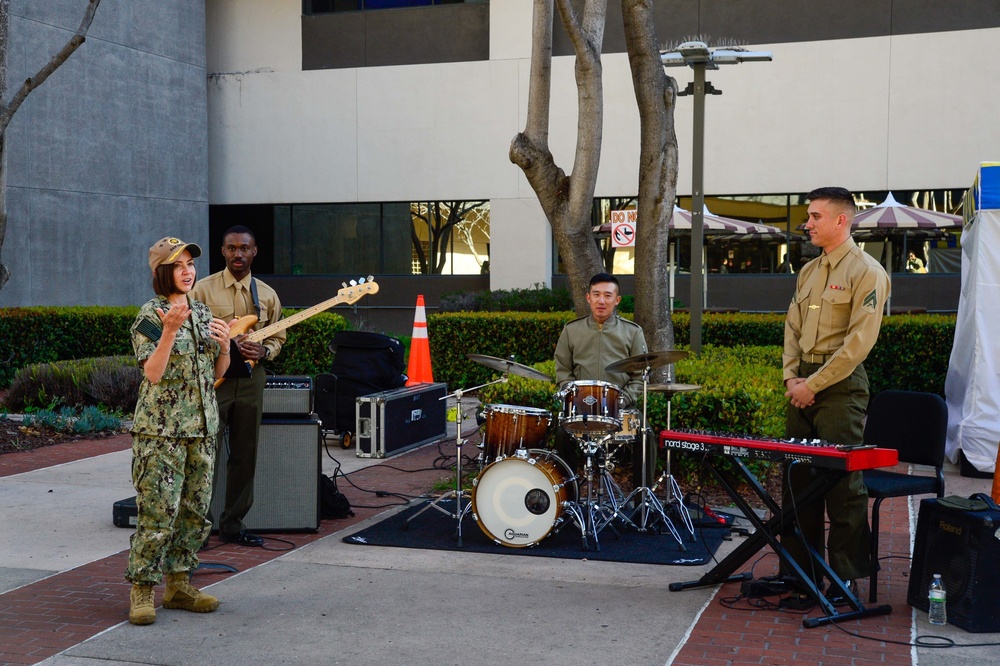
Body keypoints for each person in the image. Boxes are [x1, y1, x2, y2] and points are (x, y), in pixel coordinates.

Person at [781, 187, 890, 606]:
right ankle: (801, 575)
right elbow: (791, 328)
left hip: (840, 386)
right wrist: (793, 377)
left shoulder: (868, 272)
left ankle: (845, 578)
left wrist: (814, 384)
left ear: (841, 220)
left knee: (843, 485)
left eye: (815, 216)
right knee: (798, 480)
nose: (807, 223)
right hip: (802, 382)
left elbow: (858, 344)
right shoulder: (808, 271)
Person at [126, 236, 232, 626]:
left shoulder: (203, 313)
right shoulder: (150, 316)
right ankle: (141, 588)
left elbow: (217, 375)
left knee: (194, 513)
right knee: (158, 513)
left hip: (201, 429)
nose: (187, 271)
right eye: (178, 265)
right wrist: (170, 330)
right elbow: (152, 373)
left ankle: (178, 584)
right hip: (161, 434)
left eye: (190, 264)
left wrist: (225, 347)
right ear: (161, 272)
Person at [190, 226, 285, 547]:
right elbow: (186, 334)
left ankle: (233, 524)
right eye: (231, 248)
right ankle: (198, 528)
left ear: (254, 251)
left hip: (250, 379)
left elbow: (277, 337)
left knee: (246, 452)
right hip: (212, 378)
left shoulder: (267, 295)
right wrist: (220, 345)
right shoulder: (201, 291)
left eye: (244, 248)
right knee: (205, 454)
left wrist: (265, 350)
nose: (238, 254)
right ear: (223, 251)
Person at [554, 273, 647, 486]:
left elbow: (640, 376)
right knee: (561, 434)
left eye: (607, 295)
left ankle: (642, 499)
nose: (601, 301)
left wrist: (624, 399)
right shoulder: (571, 330)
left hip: (619, 408)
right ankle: (567, 494)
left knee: (645, 433)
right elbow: (562, 370)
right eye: (596, 295)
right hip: (580, 408)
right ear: (588, 298)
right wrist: (572, 396)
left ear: (617, 300)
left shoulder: (632, 332)